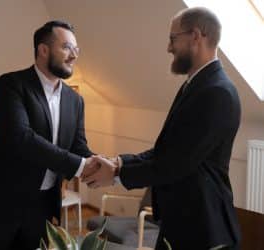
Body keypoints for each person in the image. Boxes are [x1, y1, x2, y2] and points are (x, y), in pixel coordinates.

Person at [83, 7, 241, 250]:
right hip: (182, 220)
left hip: (203, 227)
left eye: (172, 39)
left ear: (196, 36)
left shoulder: (216, 92)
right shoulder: (196, 85)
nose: (169, 48)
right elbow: (165, 150)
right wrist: (118, 163)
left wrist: (116, 174)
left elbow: (175, 164)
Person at [0, 20, 95, 250]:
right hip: (1, 203)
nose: (74, 56)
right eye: (67, 48)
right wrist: (80, 165)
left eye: (76, 50)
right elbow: (21, 137)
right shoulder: (11, 84)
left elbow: (78, 146)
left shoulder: (76, 100)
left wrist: (100, 164)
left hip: (44, 206)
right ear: (43, 50)